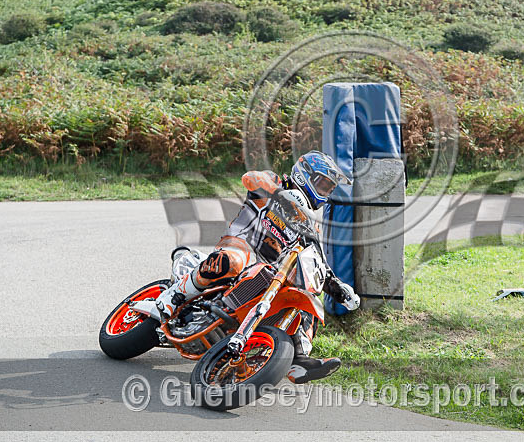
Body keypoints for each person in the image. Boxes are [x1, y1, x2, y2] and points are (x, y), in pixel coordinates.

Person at [139, 151, 360, 382]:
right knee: (233, 260)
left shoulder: (310, 225)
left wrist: (338, 287)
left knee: (306, 299)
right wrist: (280, 195)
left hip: (269, 273)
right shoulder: (275, 182)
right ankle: (172, 297)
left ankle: (299, 358)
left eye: (329, 188)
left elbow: (319, 263)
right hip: (241, 245)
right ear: (305, 175)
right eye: (323, 184)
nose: (325, 192)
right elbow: (251, 178)